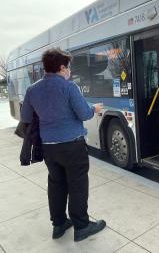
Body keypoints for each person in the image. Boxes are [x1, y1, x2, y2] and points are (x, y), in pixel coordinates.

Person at [21, 48, 106, 241]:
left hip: (48, 147)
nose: (70, 71)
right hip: (72, 146)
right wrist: (95, 108)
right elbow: (84, 114)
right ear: (61, 68)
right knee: (77, 185)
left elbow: (26, 117)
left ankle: (59, 225)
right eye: (68, 67)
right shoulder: (69, 87)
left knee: (56, 183)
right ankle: (82, 226)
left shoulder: (32, 89)